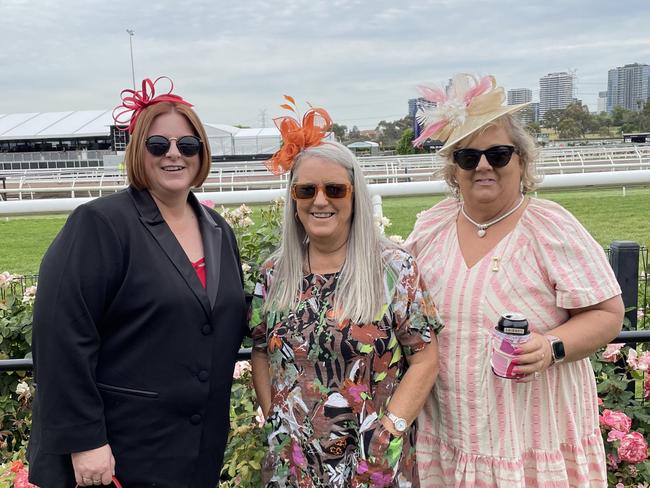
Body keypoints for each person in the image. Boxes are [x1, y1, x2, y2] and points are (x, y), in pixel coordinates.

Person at [405, 74, 625, 487]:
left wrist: (552, 346)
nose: (483, 165)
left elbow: (608, 313)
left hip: (531, 436)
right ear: (454, 168)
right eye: (468, 157)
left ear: (522, 161)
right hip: (452, 433)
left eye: (499, 154)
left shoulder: (549, 227)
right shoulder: (431, 228)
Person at [28, 77, 248, 487]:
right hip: (118, 451)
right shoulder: (100, 224)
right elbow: (61, 334)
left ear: (202, 153)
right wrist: (84, 440)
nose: (174, 155)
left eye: (188, 145)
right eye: (158, 145)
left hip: (196, 449)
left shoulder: (218, 230)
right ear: (137, 151)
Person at [249, 99, 444, 487]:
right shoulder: (275, 273)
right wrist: (275, 416)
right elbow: (259, 351)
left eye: (334, 189)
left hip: (372, 464)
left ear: (354, 195)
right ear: (293, 199)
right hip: (294, 461)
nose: (320, 201)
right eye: (307, 190)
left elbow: (425, 358)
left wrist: (388, 432)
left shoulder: (393, 269)